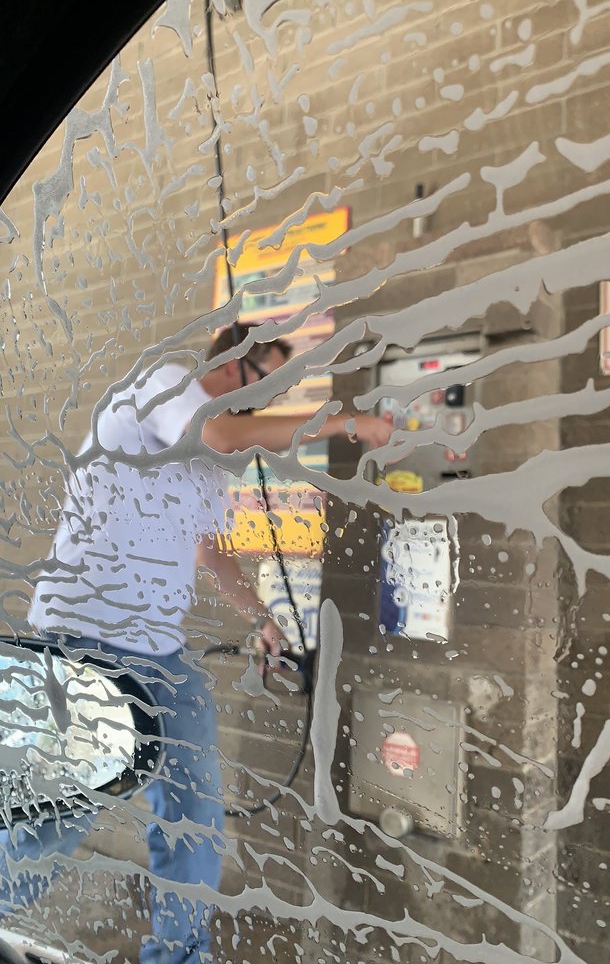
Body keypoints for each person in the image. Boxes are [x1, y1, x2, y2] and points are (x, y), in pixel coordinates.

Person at [0, 322, 393, 964]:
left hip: (161, 654)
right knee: (59, 818)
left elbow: (212, 555)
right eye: (266, 376)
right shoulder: (159, 387)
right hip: (83, 637)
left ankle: (180, 955)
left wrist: (262, 619)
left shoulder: (210, 467)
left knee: (195, 815)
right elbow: (219, 433)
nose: (269, 394)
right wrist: (342, 421)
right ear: (231, 359)